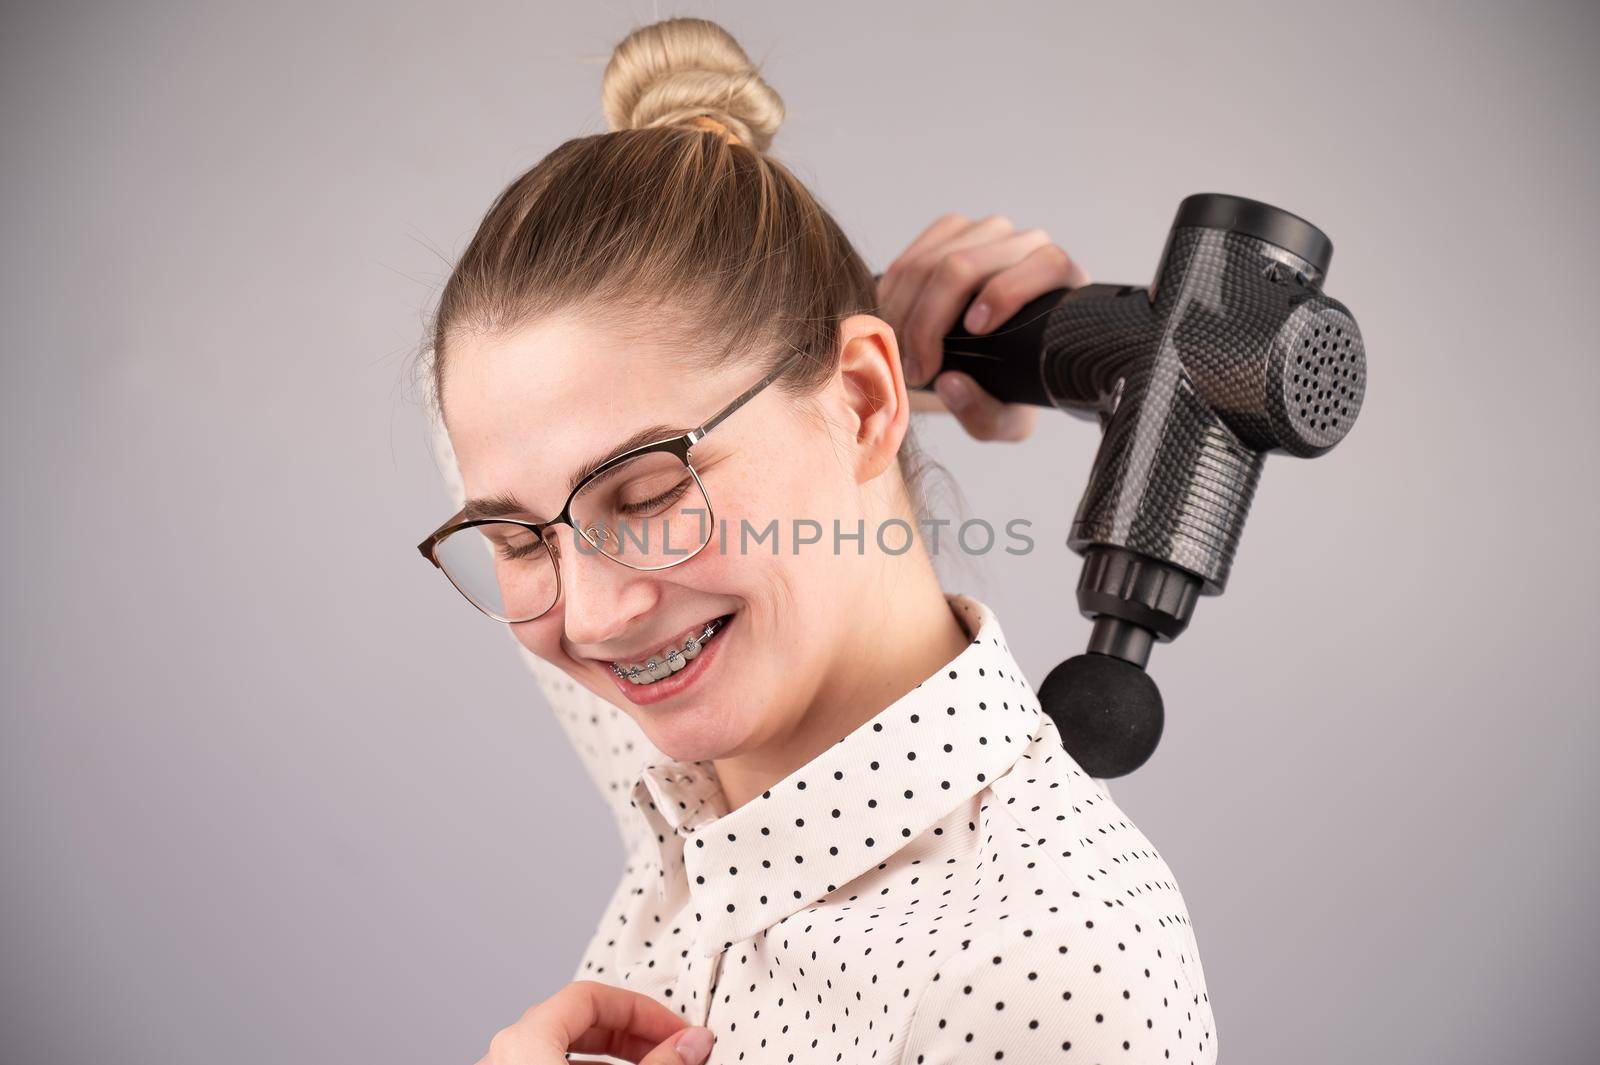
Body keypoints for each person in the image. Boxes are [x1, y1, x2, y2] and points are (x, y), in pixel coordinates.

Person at [415, 17, 1215, 1065]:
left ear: (861, 398)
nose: (594, 616)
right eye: (516, 543)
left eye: (648, 489)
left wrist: (855, 386)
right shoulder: (689, 747)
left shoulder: (1046, 968)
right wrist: (905, 378)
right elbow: (492, 420)